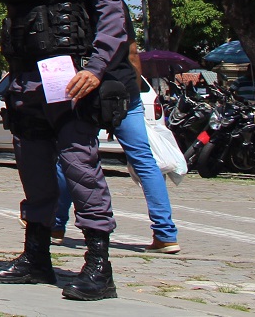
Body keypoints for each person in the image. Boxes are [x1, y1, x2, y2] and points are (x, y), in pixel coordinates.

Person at [0, 0, 128, 302]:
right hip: (25, 80)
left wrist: (97, 69)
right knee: (33, 171)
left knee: (80, 168)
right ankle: (36, 258)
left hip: (69, 80)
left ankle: (99, 266)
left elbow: (113, 16)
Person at [53, 35, 180, 253]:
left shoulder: (78, 13)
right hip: (124, 90)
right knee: (145, 161)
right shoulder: (118, 15)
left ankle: (55, 226)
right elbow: (133, 54)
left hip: (86, 90)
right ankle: (165, 234)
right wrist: (133, 93)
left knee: (71, 156)